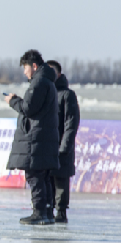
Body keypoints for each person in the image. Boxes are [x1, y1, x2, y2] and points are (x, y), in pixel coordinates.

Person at [4, 50, 60, 225]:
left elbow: (28, 108)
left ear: (34, 66)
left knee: (35, 174)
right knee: (42, 175)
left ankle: (39, 212)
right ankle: (47, 212)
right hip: (43, 137)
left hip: (37, 138)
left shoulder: (39, 83)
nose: (24, 72)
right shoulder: (47, 82)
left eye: (25, 68)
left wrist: (12, 101)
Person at [45, 60, 80, 223]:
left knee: (60, 180)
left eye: (52, 71)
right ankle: (47, 208)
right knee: (47, 180)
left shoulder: (67, 95)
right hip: (47, 145)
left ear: (58, 73)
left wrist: (65, 146)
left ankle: (61, 211)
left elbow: (71, 123)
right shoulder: (45, 93)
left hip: (61, 146)